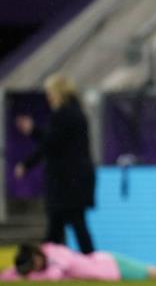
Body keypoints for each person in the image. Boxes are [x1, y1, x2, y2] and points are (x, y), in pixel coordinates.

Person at [14, 74, 96, 254]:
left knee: (65, 224)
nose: (48, 97)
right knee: (65, 224)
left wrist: (32, 133)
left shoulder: (65, 115)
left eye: (50, 92)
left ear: (59, 93)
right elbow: (53, 143)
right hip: (75, 180)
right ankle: (58, 263)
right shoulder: (75, 113)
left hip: (68, 181)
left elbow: (50, 144)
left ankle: (46, 264)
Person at [0, 243, 156, 282]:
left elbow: (55, 275)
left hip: (110, 266)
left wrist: (31, 276)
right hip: (103, 262)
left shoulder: (54, 253)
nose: (34, 271)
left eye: (33, 266)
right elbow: (9, 274)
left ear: (36, 255)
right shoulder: (42, 259)